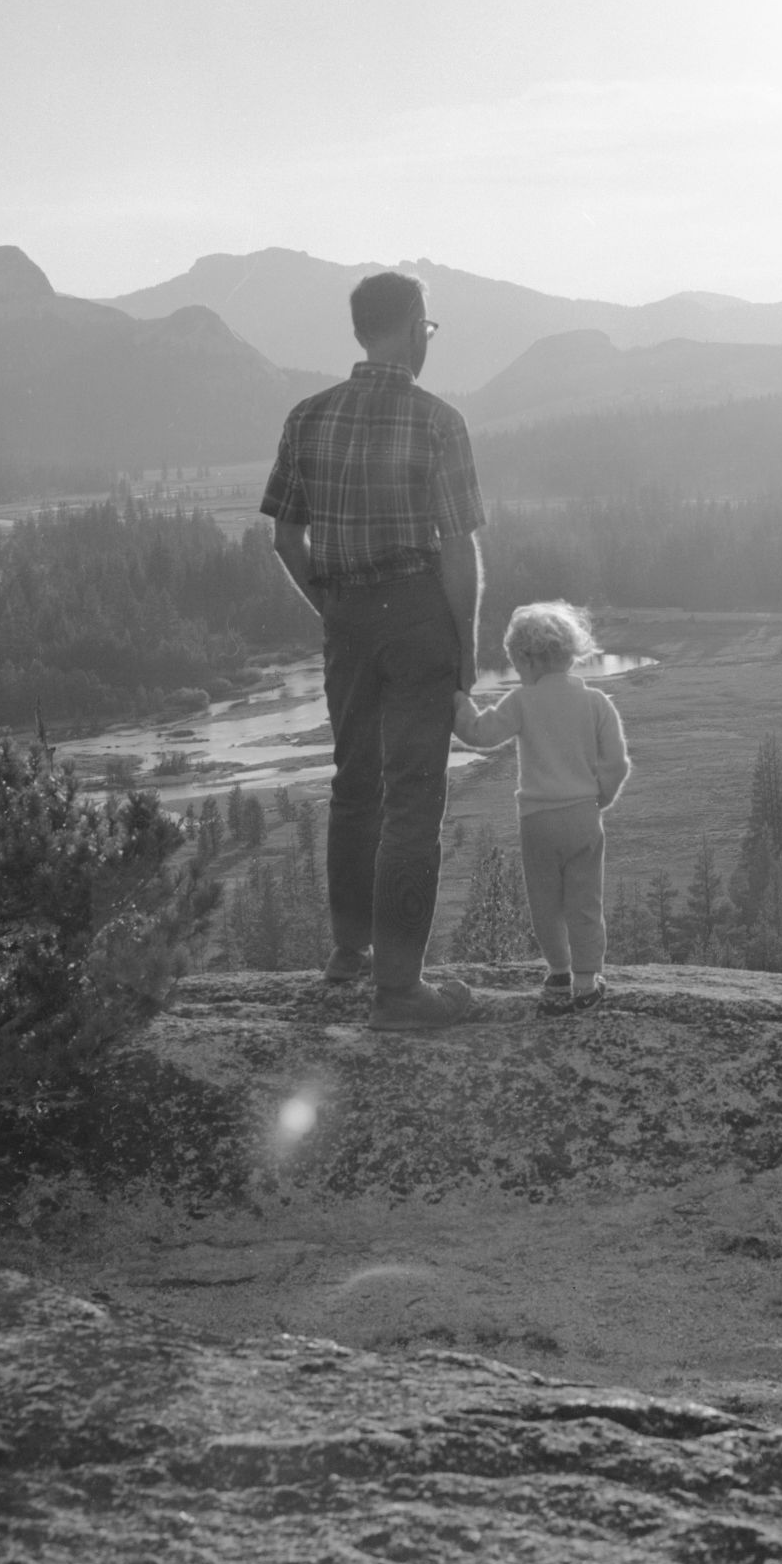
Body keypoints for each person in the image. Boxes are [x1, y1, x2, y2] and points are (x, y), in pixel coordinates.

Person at [261, 271, 485, 1032]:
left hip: (348, 621)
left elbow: (285, 538)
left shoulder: (307, 416)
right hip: (419, 616)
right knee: (413, 801)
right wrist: (468, 644)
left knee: (355, 788)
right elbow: (457, 551)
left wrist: (331, 606)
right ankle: (400, 991)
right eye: (428, 328)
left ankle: (347, 955)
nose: (428, 340)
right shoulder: (437, 421)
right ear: (414, 325)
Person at [452, 601, 631, 1010]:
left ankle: (558, 974)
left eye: (516, 662)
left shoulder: (521, 701)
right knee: (586, 900)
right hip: (584, 816)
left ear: (529, 659)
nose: (517, 670)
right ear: (569, 653)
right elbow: (617, 763)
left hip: (537, 821)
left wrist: (458, 701)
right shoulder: (597, 702)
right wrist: (601, 796)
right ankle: (587, 982)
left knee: (546, 903)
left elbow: (479, 734)